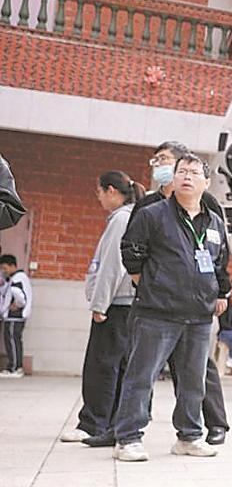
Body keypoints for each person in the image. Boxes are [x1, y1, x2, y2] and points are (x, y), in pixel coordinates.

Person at [108, 153, 231, 461]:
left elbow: (219, 262)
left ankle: (189, 436)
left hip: (199, 315)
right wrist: (150, 284)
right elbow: (131, 251)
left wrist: (220, 292)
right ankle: (128, 438)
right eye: (182, 171)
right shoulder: (153, 214)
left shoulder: (214, 222)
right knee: (141, 376)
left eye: (194, 172)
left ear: (206, 182)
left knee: (193, 381)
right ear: (174, 179)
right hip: (157, 312)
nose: (187, 177)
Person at [63, 172, 139, 442]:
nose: (99, 198)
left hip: (115, 304)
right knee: (117, 366)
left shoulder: (121, 219)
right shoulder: (130, 216)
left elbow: (112, 266)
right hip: (126, 305)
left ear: (111, 191)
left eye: (99, 192)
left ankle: (92, 424)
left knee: (101, 366)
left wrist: (100, 304)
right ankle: (109, 424)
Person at [0, 253, 32, 377]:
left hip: (15, 316)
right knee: (13, 340)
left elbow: (18, 294)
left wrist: (17, 304)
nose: (4, 271)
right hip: (15, 316)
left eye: (5, 268)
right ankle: (15, 367)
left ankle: (15, 367)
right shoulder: (17, 277)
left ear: (13, 266)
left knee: (12, 340)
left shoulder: (17, 278)